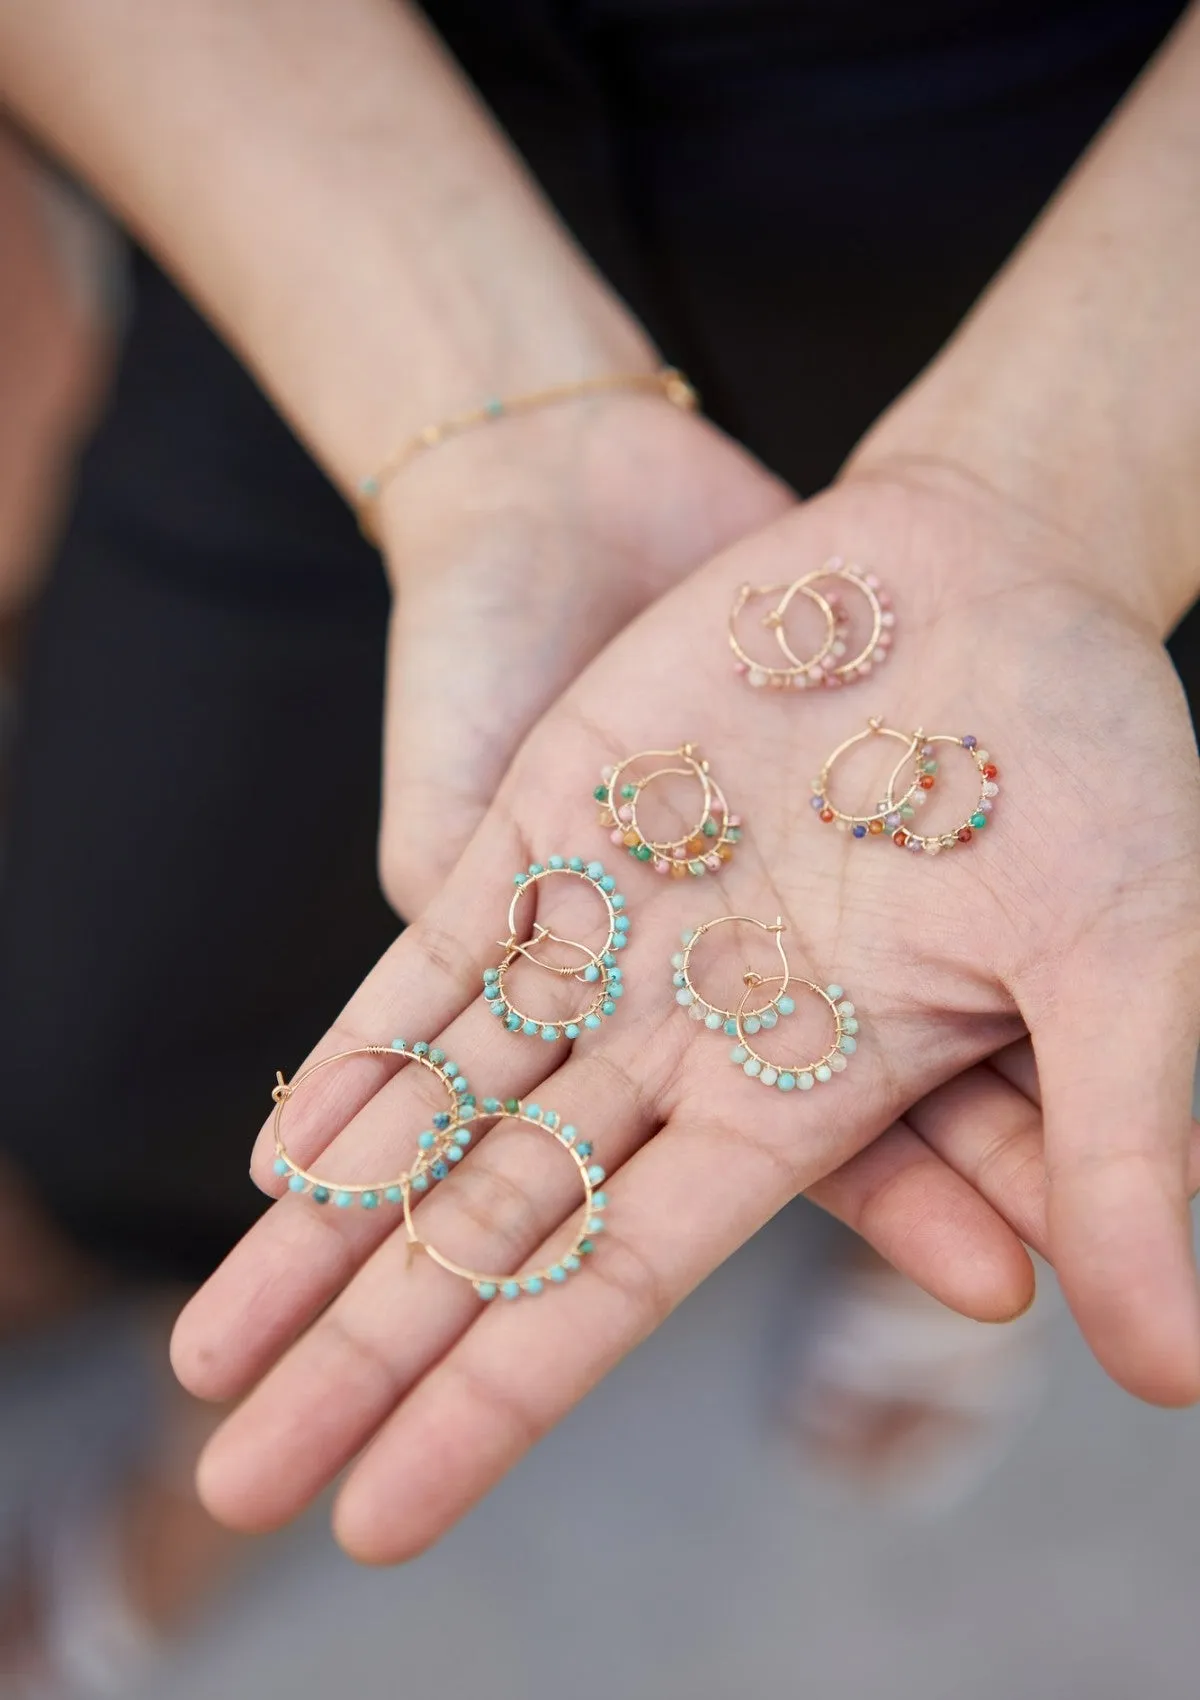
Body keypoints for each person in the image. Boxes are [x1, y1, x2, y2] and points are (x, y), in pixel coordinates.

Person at [0, 0, 1196, 1606]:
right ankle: (187, 1320)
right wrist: (502, 440)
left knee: (1030, 987)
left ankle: (926, 1192)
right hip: (346, 233)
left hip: (1109, 280)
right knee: (130, 1015)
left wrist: (1064, 499)